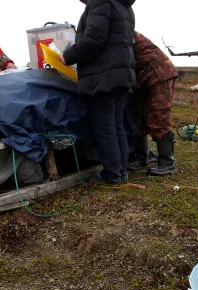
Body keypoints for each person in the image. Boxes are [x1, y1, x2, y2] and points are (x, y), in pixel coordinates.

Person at [61, 0, 136, 184]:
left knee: (105, 126)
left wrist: (68, 56)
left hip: (104, 74)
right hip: (121, 73)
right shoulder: (125, 5)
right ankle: (120, 172)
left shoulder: (100, 1)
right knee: (117, 124)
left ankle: (111, 175)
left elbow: (94, 38)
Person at [125, 31, 179, 176]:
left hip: (158, 73)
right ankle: (141, 158)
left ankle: (168, 163)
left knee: (159, 115)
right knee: (138, 116)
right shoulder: (115, 26)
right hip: (141, 78)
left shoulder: (120, 27)